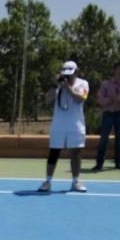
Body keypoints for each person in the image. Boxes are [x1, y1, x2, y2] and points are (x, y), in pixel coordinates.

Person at [38, 60, 89, 193]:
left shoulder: (83, 83)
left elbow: (81, 99)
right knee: (54, 152)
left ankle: (75, 182)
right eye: (65, 74)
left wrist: (68, 88)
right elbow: (47, 100)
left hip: (76, 125)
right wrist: (54, 86)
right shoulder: (58, 85)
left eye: (70, 74)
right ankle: (48, 182)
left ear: (76, 72)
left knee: (76, 153)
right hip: (59, 125)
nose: (68, 76)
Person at [91, 61, 120, 171]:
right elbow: (100, 99)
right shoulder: (106, 84)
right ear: (114, 70)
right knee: (104, 139)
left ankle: (118, 163)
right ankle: (99, 164)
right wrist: (110, 100)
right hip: (108, 113)